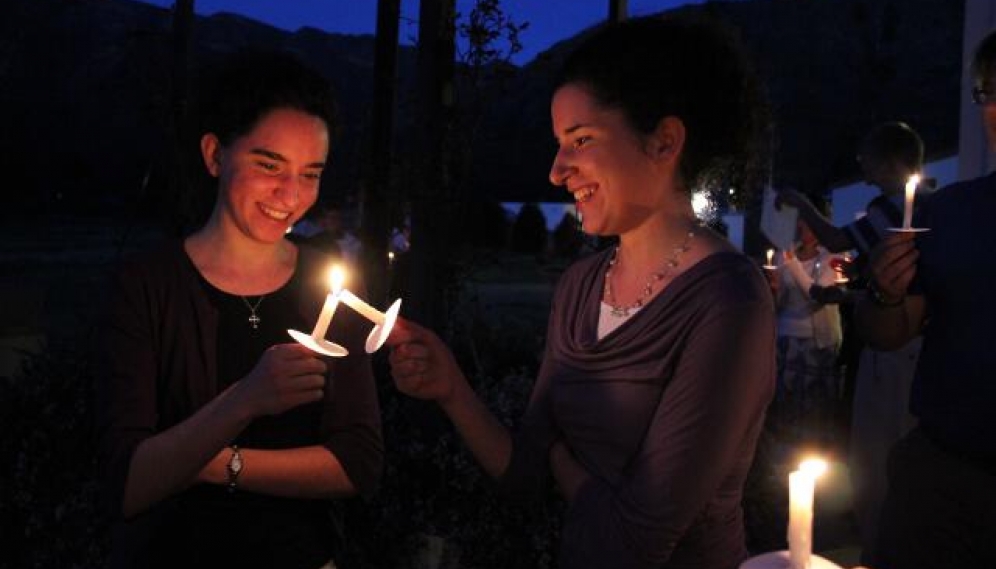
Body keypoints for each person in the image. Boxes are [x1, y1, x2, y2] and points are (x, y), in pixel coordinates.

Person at [387, 15, 774, 569]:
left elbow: (632, 543)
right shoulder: (580, 287)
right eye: (558, 144)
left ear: (664, 141)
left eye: (581, 140)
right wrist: (450, 386)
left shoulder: (728, 302)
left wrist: (562, 462)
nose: (555, 170)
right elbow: (524, 476)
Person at [95, 50, 383, 569]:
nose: (291, 195)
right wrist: (245, 400)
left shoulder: (328, 284)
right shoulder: (146, 286)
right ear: (214, 154)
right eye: (269, 165)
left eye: (310, 173)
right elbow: (128, 481)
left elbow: (359, 463)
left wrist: (215, 463)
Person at [858, 30, 996, 569]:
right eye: (988, 93)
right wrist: (885, 292)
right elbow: (888, 332)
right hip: (942, 475)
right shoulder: (949, 212)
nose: (995, 110)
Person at [766, 210, 845, 450]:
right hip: (787, 338)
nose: (803, 227)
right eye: (800, 221)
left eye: (809, 222)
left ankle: (815, 455)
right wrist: (775, 288)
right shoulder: (786, 254)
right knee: (787, 402)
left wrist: (793, 263)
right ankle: (783, 458)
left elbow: (818, 296)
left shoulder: (833, 256)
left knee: (815, 406)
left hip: (818, 342)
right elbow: (781, 303)